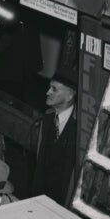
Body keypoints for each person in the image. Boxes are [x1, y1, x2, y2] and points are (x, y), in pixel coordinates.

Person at [30, 69, 80, 206]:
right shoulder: (47, 118)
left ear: (69, 96)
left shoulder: (80, 128)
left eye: (54, 89)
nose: (47, 92)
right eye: (49, 87)